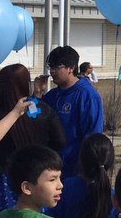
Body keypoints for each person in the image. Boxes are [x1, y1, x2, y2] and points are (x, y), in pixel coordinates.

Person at [0, 64, 66, 215]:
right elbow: (60, 141)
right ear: (26, 83)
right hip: (38, 179)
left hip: (3, 183)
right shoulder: (43, 110)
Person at [44, 45, 104, 176]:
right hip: (52, 168)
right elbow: (34, 118)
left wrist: (85, 168)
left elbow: (93, 136)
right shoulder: (52, 95)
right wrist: (36, 94)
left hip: (75, 171)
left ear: (71, 68)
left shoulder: (87, 96)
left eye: (56, 67)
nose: (52, 71)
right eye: (50, 67)